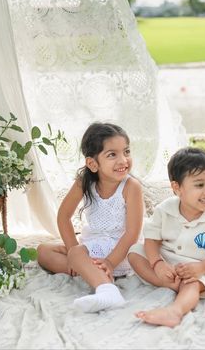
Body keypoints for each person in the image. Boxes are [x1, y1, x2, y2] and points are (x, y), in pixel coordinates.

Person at [37, 122, 144, 313]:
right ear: (93, 164)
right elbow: (63, 216)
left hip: (121, 250)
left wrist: (110, 261)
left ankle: (108, 291)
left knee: (78, 253)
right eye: (112, 154)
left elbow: (132, 234)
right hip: (92, 245)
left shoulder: (131, 186)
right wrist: (71, 252)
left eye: (126, 152)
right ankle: (91, 271)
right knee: (43, 251)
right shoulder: (83, 182)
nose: (123, 160)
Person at [128, 146, 205, 327]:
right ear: (177, 188)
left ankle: (175, 311)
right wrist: (157, 263)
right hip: (168, 260)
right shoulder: (165, 209)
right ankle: (172, 284)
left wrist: (201, 268)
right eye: (200, 185)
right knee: (134, 253)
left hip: (200, 267)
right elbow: (152, 239)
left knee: (193, 284)